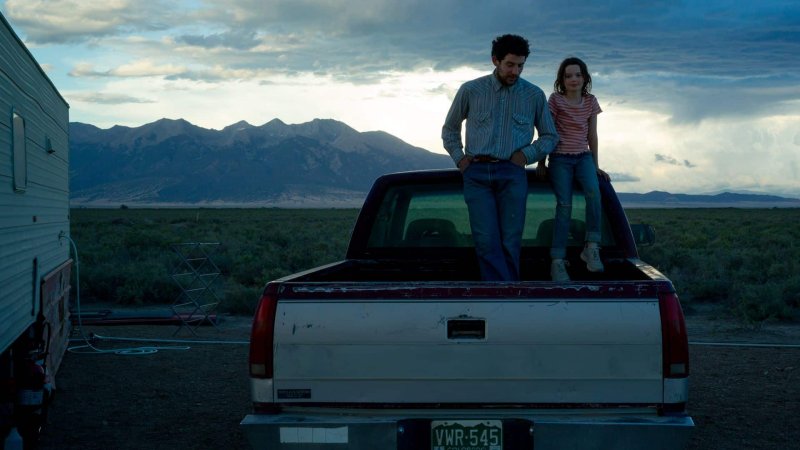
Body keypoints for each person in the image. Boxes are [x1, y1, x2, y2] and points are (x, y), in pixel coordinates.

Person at [442, 34, 559, 281]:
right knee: (486, 241)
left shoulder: (533, 95)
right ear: (495, 60)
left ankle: (504, 295)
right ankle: (504, 295)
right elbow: (450, 129)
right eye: (510, 64)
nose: (515, 71)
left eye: (520, 66)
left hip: (512, 173)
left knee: (510, 240)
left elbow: (550, 136)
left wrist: (525, 155)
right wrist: (460, 160)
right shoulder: (471, 90)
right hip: (476, 174)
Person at [539, 56, 610, 282]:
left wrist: (595, 165)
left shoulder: (590, 101)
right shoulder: (555, 100)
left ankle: (591, 246)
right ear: (561, 79)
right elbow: (546, 131)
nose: (573, 79)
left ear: (585, 78)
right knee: (565, 205)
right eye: (568, 75)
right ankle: (557, 261)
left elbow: (592, 135)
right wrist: (541, 162)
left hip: (583, 157)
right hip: (560, 158)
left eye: (578, 75)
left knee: (594, 193)